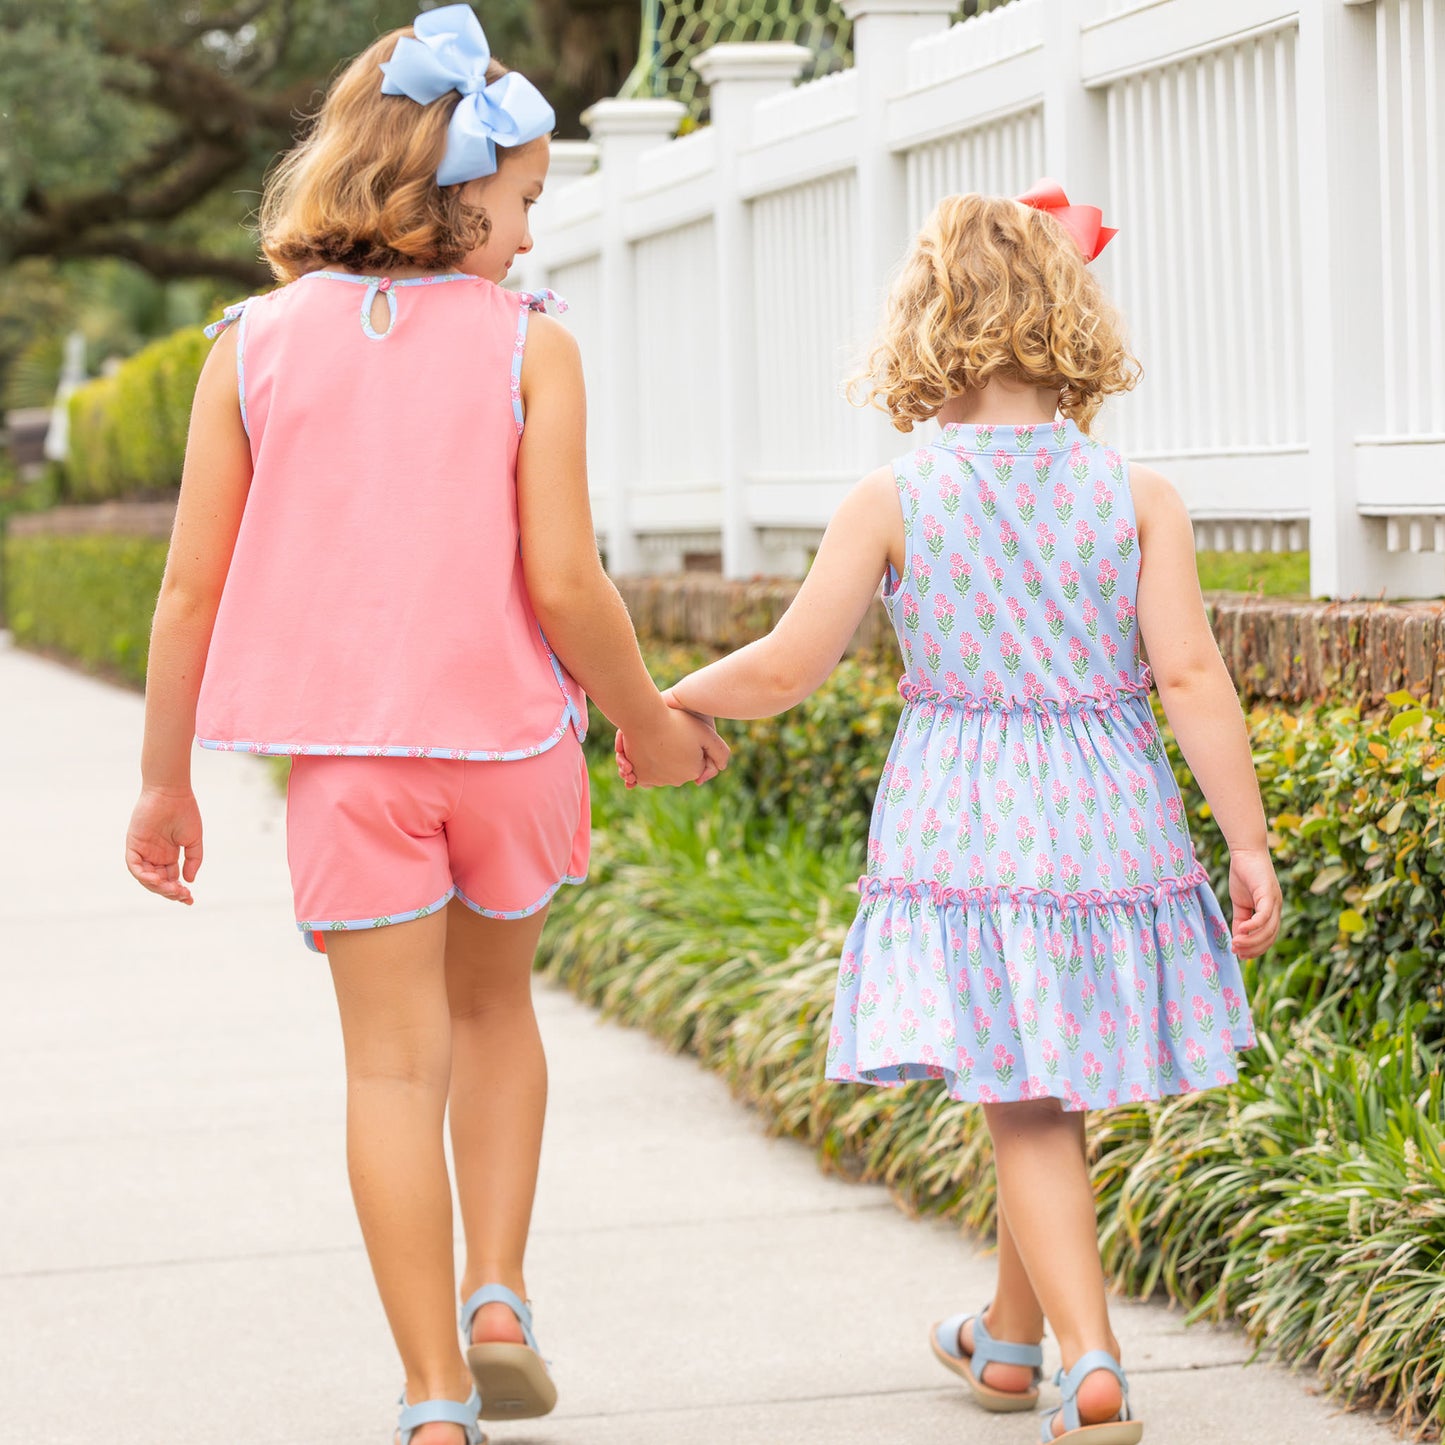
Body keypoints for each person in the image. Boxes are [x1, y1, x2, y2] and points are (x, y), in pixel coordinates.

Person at [124, 8, 727, 1442]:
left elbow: (186, 593)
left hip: (350, 772)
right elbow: (567, 585)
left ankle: (434, 1390)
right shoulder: (533, 348)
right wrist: (642, 722)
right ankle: (500, 1288)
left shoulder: (247, 347)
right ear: (453, 197)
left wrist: (166, 786)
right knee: (495, 1010)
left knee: (389, 1064)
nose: (526, 238)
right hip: (511, 748)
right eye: (518, 205)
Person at [618, 182, 1280, 1443]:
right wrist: (1241, 838)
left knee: (1022, 1093)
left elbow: (781, 666)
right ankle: (1009, 1339)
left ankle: (1088, 1362)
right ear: (1068, 316)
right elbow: (1190, 676)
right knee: (1046, 1079)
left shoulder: (895, 496)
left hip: (965, 817)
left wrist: (661, 698)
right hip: (1107, 811)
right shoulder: (1134, 495)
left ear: (923, 323)